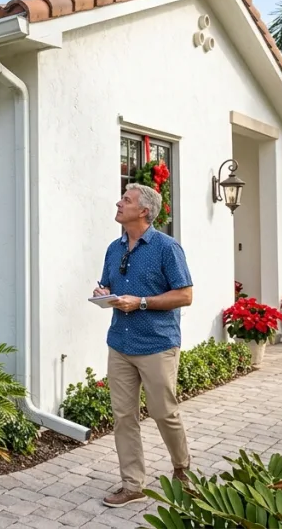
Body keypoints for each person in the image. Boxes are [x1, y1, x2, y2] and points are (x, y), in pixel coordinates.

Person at [92, 183, 194, 508]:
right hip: (120, 342)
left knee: (165, 413)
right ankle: (132, 484)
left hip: (157, 345)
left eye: (127, 200)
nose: (119, 203)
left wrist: (142, 303)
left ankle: (183, 471)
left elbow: (185, 295)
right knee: (124, 417)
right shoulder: (113, 248)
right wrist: (103, 294)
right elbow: (110, 283)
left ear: (144, 211)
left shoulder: (167, 248)